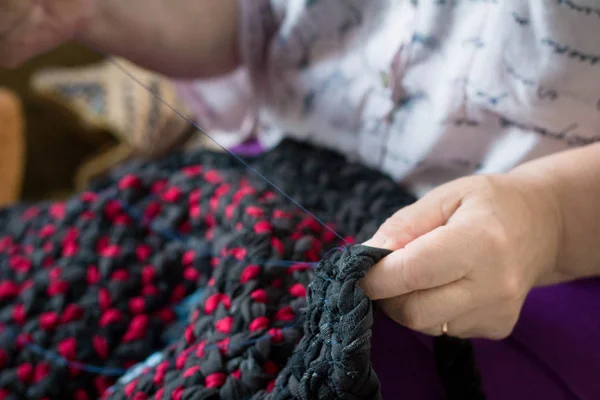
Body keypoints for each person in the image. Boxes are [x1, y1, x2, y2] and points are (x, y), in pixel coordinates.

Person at [2, 1, 600, 398]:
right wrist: (89, 9)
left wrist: (545, 220)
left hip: (530, 268)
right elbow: (257, 19)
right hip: (270, 179)